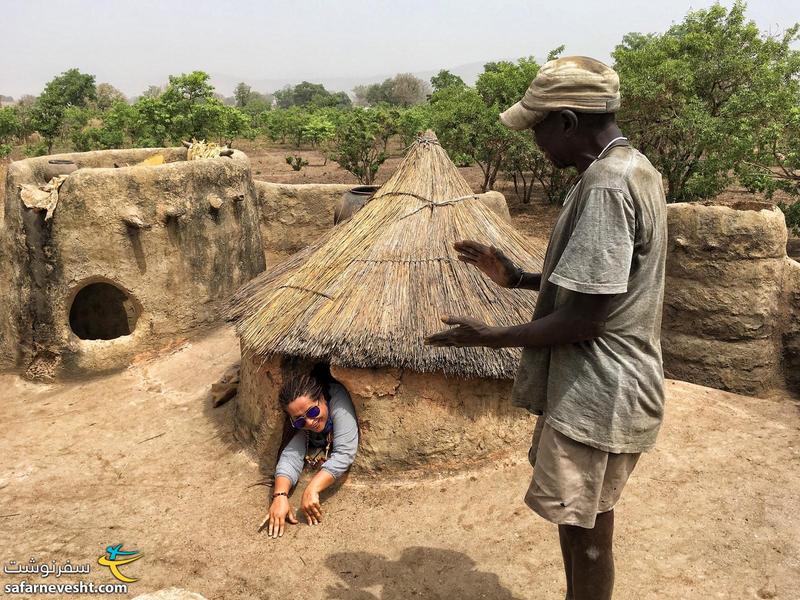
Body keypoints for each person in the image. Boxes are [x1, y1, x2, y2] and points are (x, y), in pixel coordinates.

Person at [425, 56, 667, 600]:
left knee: (587, 538)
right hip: (611, 385)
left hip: (600, 390)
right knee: (582, 526)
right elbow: (604, 287)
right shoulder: (635, 169)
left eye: (537, 127)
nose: (535, 141)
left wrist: (490, 337)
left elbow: (585, 319)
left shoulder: (606, 186)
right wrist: (518, 278)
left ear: (567, 121)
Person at [265, 370, 359, 539]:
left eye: (313, 412)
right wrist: (279, 496)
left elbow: (344, 453)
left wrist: (312, 488)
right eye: (300, 420)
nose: (309, 422)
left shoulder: (338, 402)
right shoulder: (301, 424)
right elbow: (291, 456)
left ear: (323, 398)